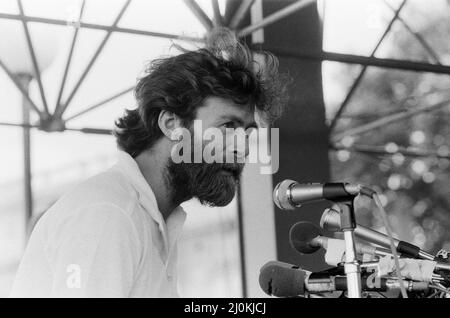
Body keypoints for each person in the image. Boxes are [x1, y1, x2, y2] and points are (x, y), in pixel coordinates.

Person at [10, 29, 287, 297]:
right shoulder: (109, 214)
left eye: (248, 132)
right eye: (227, 126)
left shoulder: (155, 219)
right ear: (171, 124)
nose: (241, 147)